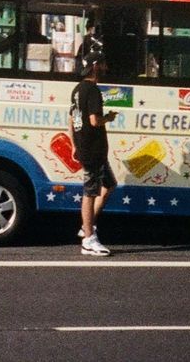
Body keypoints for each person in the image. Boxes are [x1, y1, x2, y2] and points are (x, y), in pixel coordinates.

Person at [69, 46, 117, 257]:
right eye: (104, 64)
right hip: (93, 150)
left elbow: (71, 119)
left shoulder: (77, 90)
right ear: (96, 67)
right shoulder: (93, 90)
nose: (106, 67)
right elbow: (94, 120)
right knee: (90, 193)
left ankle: (86, 226)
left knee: (109, 184)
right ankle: (89, 240)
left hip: (85, 147)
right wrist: (109, 118)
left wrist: (73, 145)